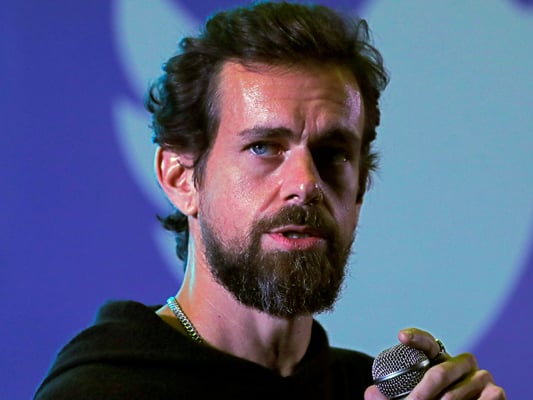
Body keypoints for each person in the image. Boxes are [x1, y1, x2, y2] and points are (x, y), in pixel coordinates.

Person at [35, 2, 506, 399]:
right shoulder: (103, 389)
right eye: (264, 147)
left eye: (333, 153)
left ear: (360, 188)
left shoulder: (368, 389)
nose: (306, 183)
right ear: (181, 178)